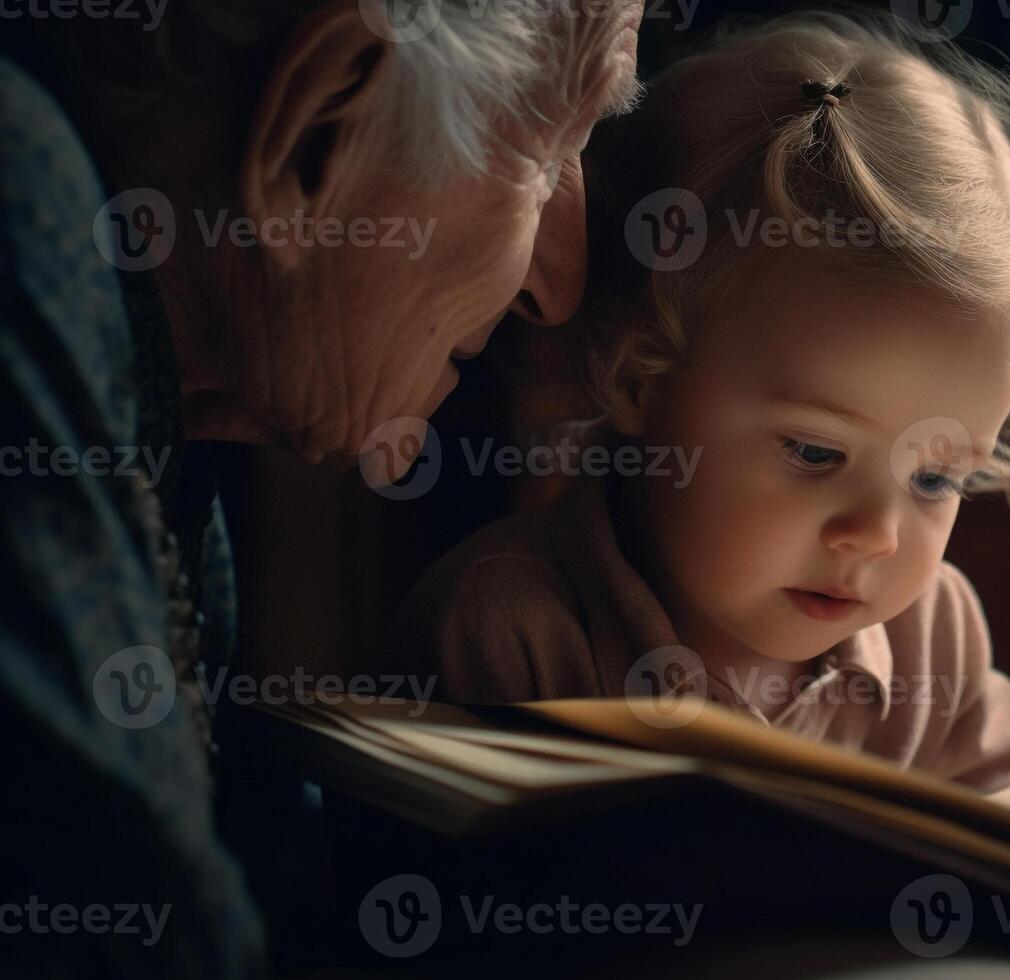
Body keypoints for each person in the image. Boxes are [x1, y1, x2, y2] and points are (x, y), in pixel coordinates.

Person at [0, 1, 642, 974]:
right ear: (317, 131)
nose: (560, 282)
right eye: (549, 148)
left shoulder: (167, 403)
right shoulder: (21, 196)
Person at [390, 13, 1010, 793]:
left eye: (935, 480)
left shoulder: (929, 636)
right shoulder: (508, 629)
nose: (874, 534)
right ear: (637, 377)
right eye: (814, 452)